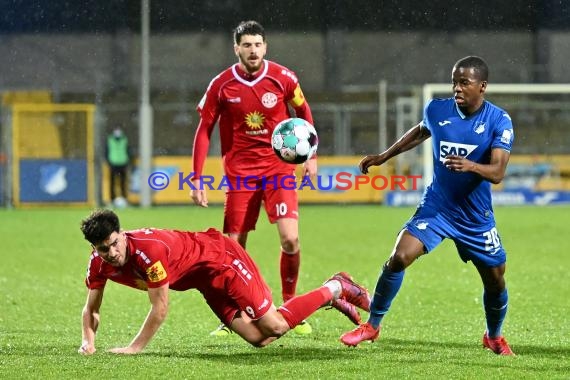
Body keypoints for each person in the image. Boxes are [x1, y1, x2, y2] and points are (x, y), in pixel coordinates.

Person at [340, 56, 515, 356]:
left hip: (475, 217)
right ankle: (372, 325)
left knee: (496, 278)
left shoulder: (499, 120)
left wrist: (471, 166)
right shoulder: (437, 110)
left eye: (464, 83)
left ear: (482, 86)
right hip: (438, 207)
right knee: (399, 256)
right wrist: (383, 156)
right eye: (454, 82)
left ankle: (494, 336)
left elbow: (498, 173)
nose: (457, 88)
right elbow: (420, 131)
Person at [77, 209, 370, 355]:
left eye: (115, 243)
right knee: (260, 339)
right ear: (94, 249)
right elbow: (91, 310)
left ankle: (336, 286)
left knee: (275, 326)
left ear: (122, 233)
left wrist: (134, 347)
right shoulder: (98, 266)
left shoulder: (148, 252)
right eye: (104, 249)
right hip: (205, 281)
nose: (112, 253)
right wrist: (87, 342)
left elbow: (160, 308)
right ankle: (329, 296)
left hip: (222, 260)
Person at [190, 20, 318, 336]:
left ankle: (290, 307)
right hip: (240, 174)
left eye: (258, 44)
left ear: (265, 46)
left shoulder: (283, 78)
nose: (253, 50)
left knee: (290, 239)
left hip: (278, 170)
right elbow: (204, 130)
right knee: (232, 248)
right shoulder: (221, 85)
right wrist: (197, 177)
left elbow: (304, 113)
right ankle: (233, 315)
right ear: (236, 48)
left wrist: (311, 155)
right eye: (247, 45)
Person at [105, 127, 131, 207]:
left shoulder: (124, 139)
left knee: (123, 183)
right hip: (113, 164)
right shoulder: (110, 140)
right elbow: (106, 151)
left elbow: (128, 151)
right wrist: (108, 161)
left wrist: (127, 161)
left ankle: (124, 199)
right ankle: (112, 200)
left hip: (123, 163)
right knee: (112, 183)